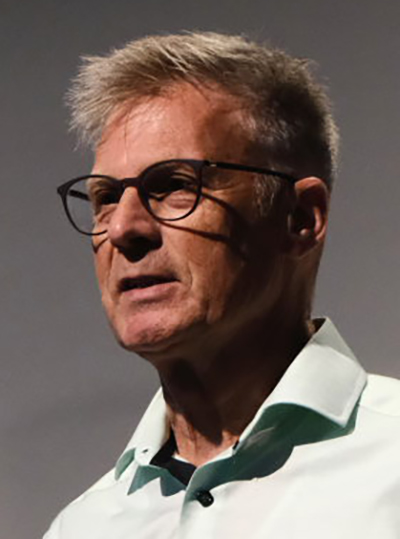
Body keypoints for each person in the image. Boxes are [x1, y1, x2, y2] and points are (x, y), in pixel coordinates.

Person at [45, 32, 400, 538]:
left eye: (174, 185)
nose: (122, 228)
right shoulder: (82, 528)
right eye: (105, 197)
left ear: (300, 218)